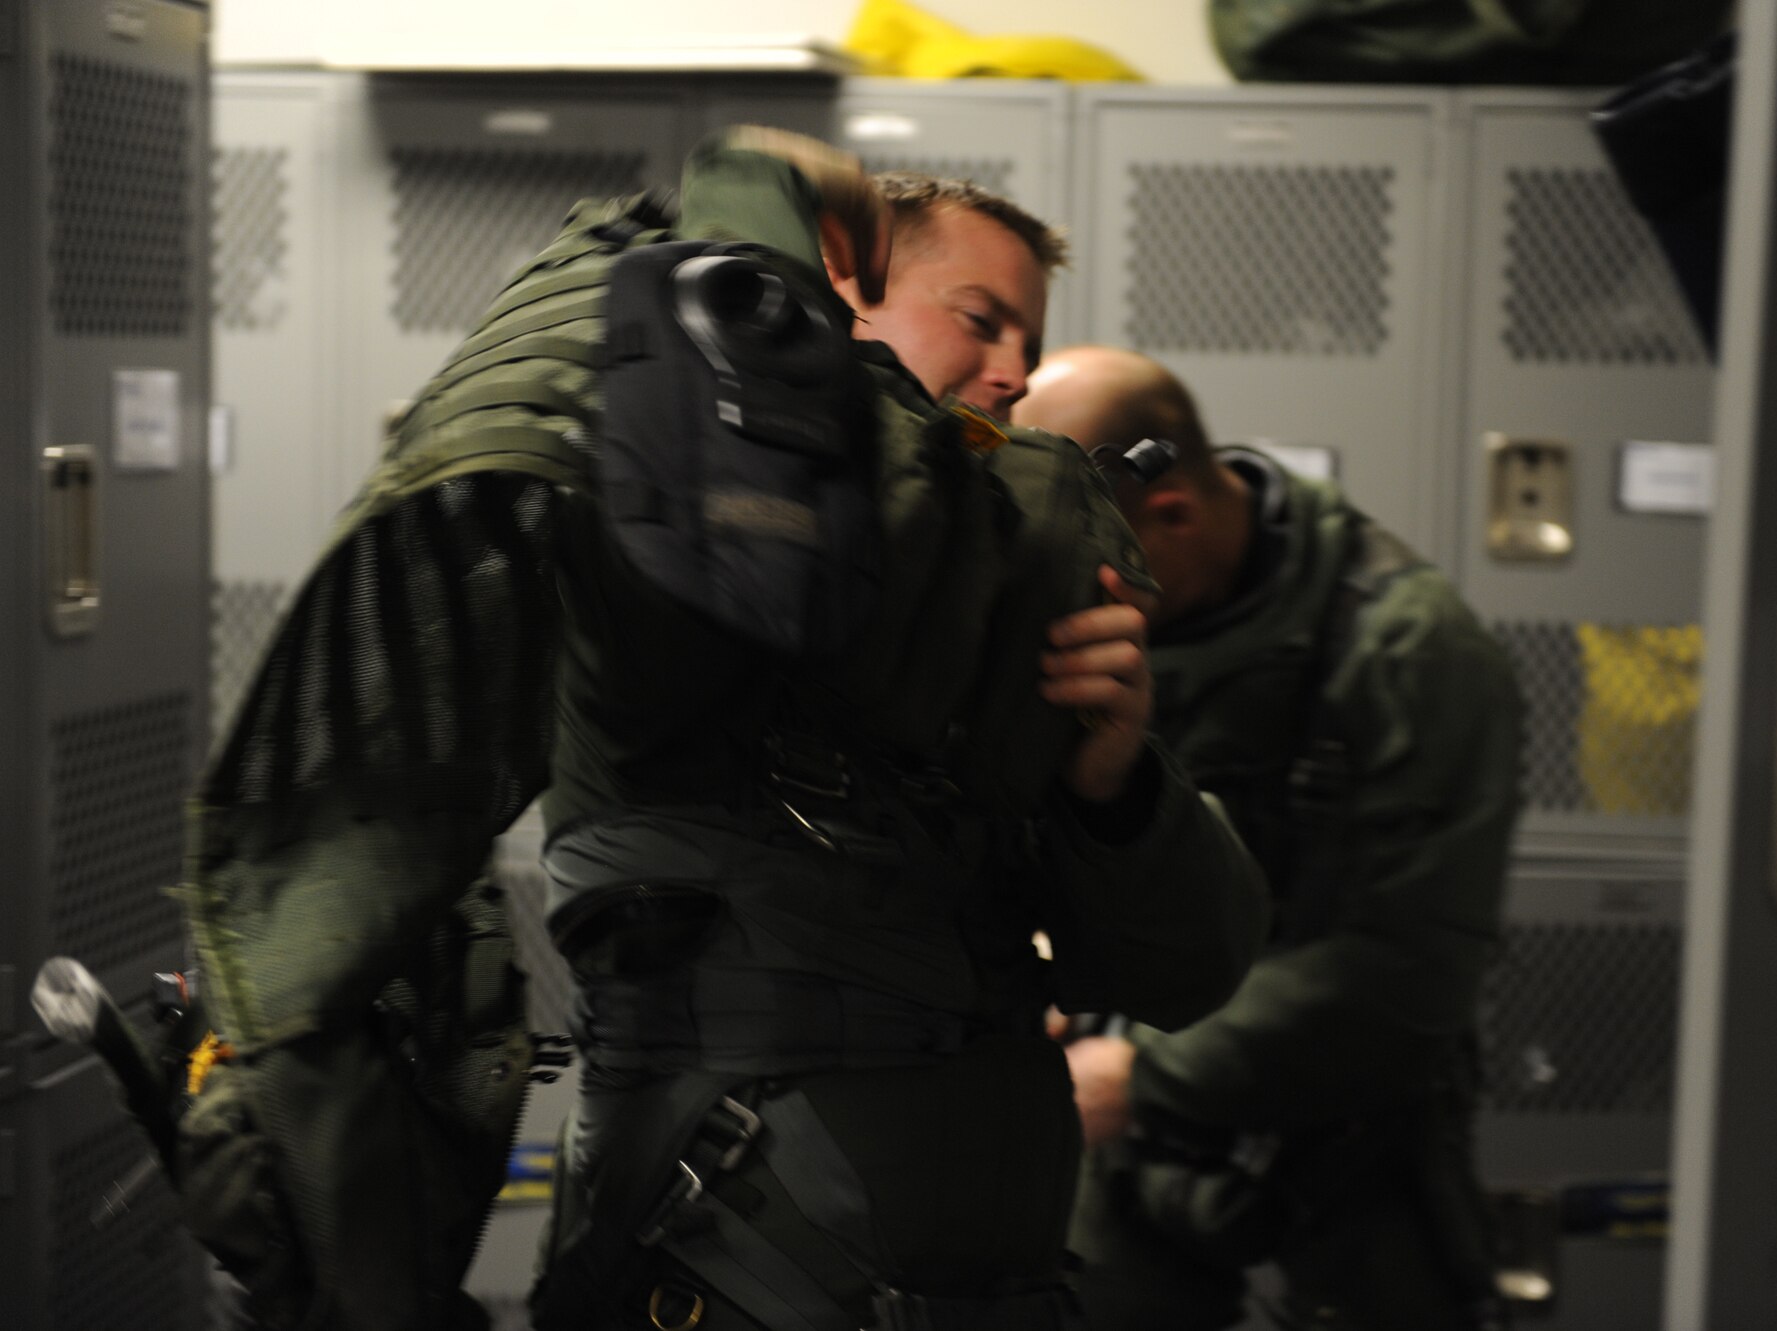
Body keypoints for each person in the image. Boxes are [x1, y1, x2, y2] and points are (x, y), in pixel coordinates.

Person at [167, 132, 1268, 1331]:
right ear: (835, 297)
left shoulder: (990, 617)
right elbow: (743, 464)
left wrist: (1115, 786)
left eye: (1030, 344)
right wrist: (762, 233)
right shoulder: (666, 548)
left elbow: (1190, 969)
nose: (1011, 372)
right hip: (725, 1263)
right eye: (976, 317)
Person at [1014, 347, 1523, 1331]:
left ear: (1171, 513)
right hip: (1132, 1121)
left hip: (1346, 1117)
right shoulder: (1098, 614)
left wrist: (1145, 1075)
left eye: (1081, 540)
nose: (1066, 574)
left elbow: (1407, 970)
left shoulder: (1407, 648)